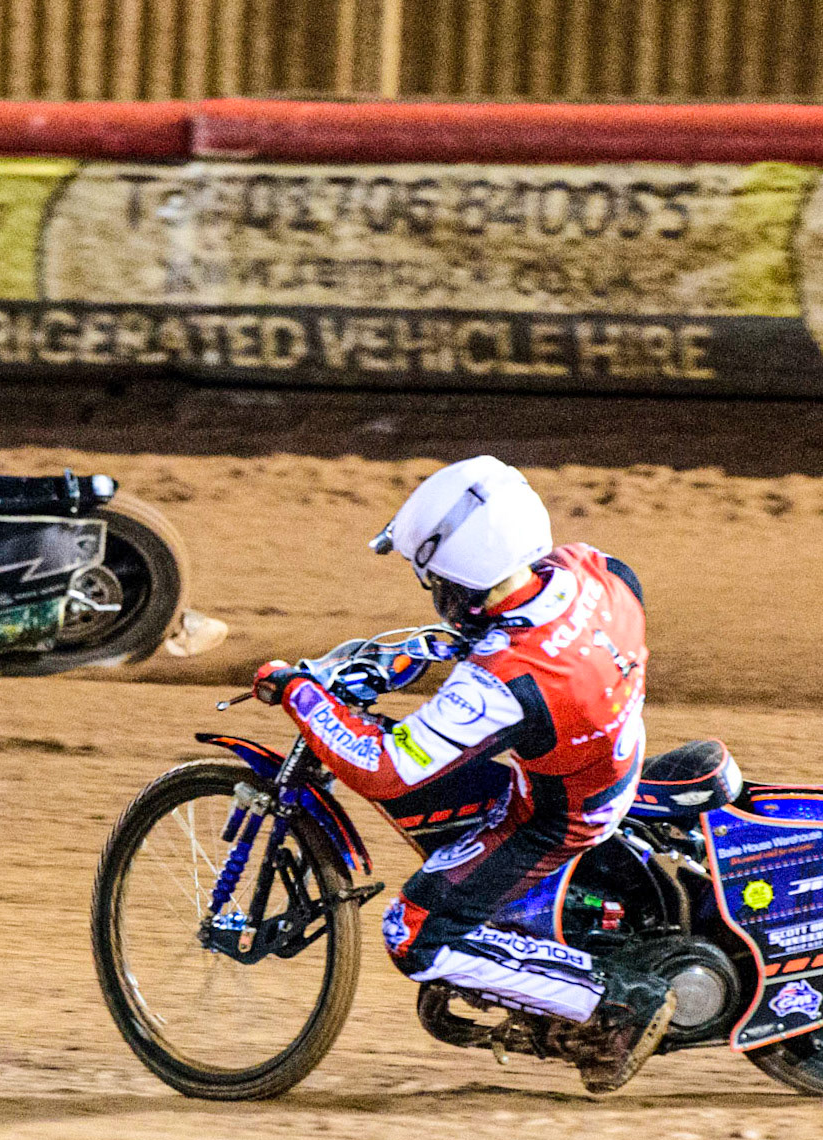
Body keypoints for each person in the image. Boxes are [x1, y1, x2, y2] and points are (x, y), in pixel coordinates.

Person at [251, 455, 676, 1093]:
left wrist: (299, 696)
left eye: (434, 580)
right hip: (609, 750)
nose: (433, 594)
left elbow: (384, 767)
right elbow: (530, 631)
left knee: (411, 933)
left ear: (458, 577)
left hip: (557, 816)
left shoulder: (503, 685)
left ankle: (612, 1002)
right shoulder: (596, 569)